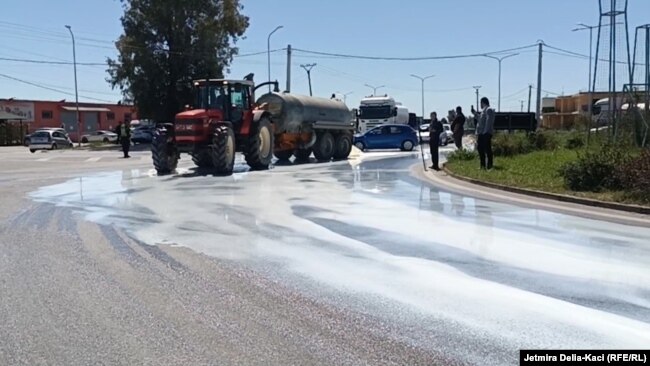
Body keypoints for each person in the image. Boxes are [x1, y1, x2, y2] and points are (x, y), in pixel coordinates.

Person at [473, 97, 495, 170]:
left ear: (483, 102)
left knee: (487, 149)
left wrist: (485, 132)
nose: (480, 104)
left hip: (486, 133)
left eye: (480, 103)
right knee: (480, 149)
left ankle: (489, 166)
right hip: (482, 133)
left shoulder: (489, 109)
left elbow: (489, 121)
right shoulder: (483, 110)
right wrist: (474, 113)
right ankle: (482, 166)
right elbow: (480, 119)